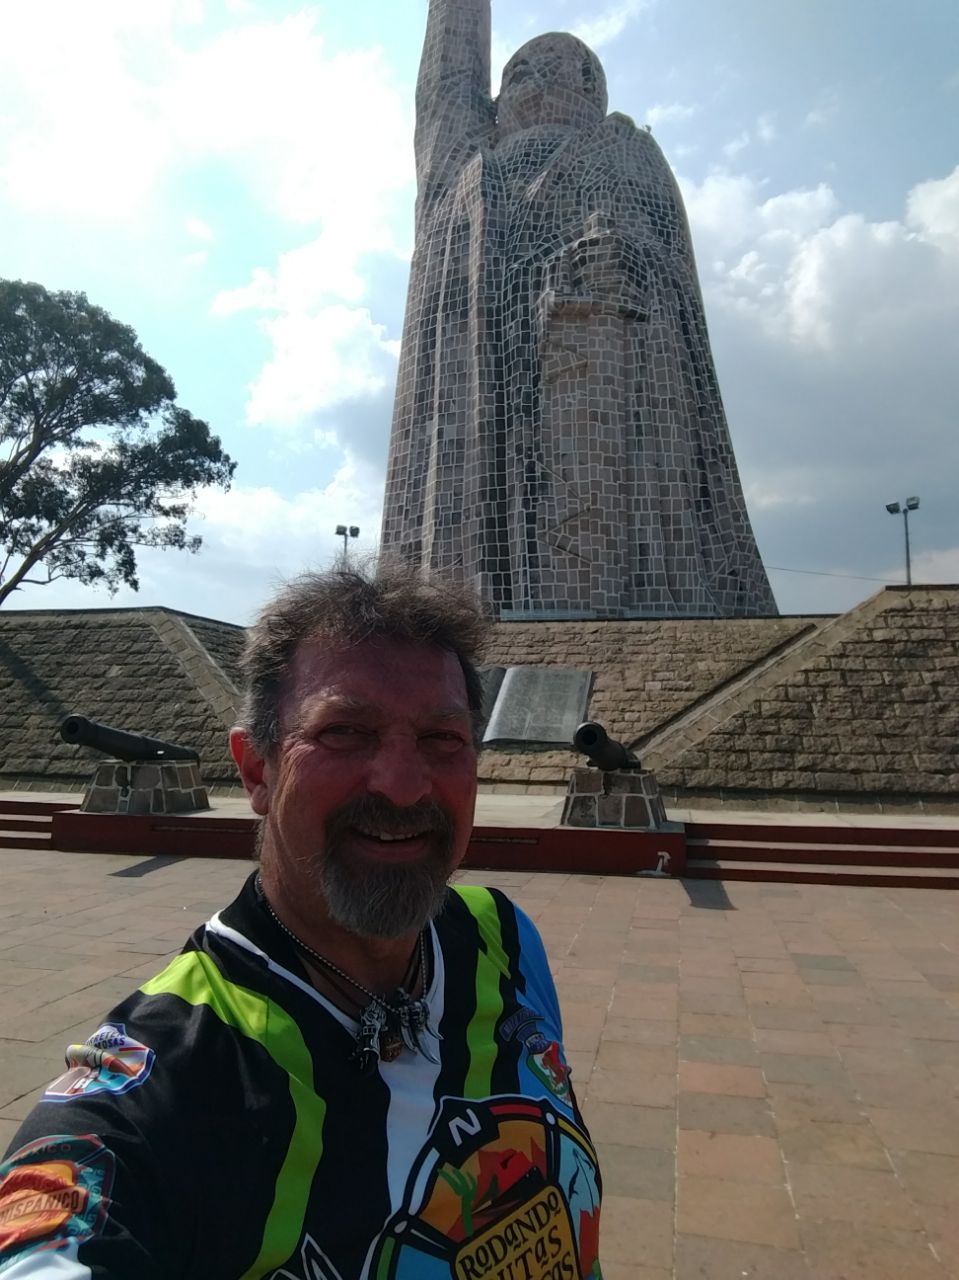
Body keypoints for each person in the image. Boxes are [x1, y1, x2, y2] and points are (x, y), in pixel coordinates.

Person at [0, 565, 603, 1280]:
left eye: (444, 739)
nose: (404, 785)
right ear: (256, 769)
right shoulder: (175, 1086)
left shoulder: (501, 937)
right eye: (346, 733)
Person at [381, 0, 777, 618]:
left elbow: (676, 286)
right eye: (519, 72)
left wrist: (614, 268)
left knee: (598, 526)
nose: (537, 81)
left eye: (561, 69)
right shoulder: (464, 165)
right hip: (483, 411)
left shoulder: (627, 154)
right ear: (490, 108)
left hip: (614, 383)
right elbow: (448, 77)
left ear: (594, 88)